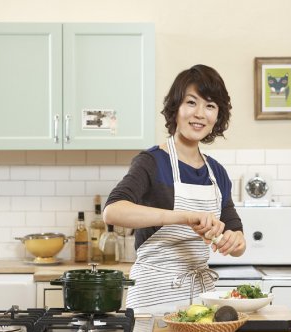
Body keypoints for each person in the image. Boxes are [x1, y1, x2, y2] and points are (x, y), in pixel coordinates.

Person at [103, 64, 246, 314]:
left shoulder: (217, 173)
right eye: (192, 102)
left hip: (199, 303)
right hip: (152, 299)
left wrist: (235, 241)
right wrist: (185, 217)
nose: (200, 113)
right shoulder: (152, 162)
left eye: (210, 106)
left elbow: (237, 237)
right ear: (176, 108)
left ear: (218, 117)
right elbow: (113, 211)